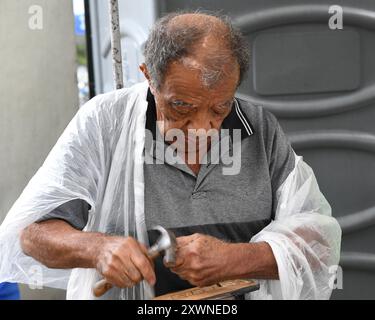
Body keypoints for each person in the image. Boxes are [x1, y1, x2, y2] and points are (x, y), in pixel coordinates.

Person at [0, 12, 341, 300]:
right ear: (149, 76)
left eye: (219, 108)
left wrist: (236, 258)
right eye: (181, 107)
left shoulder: (260, 128)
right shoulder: (105, 122)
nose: (201, 130)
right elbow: (33, 234)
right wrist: (98, 248)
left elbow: (318, 242)